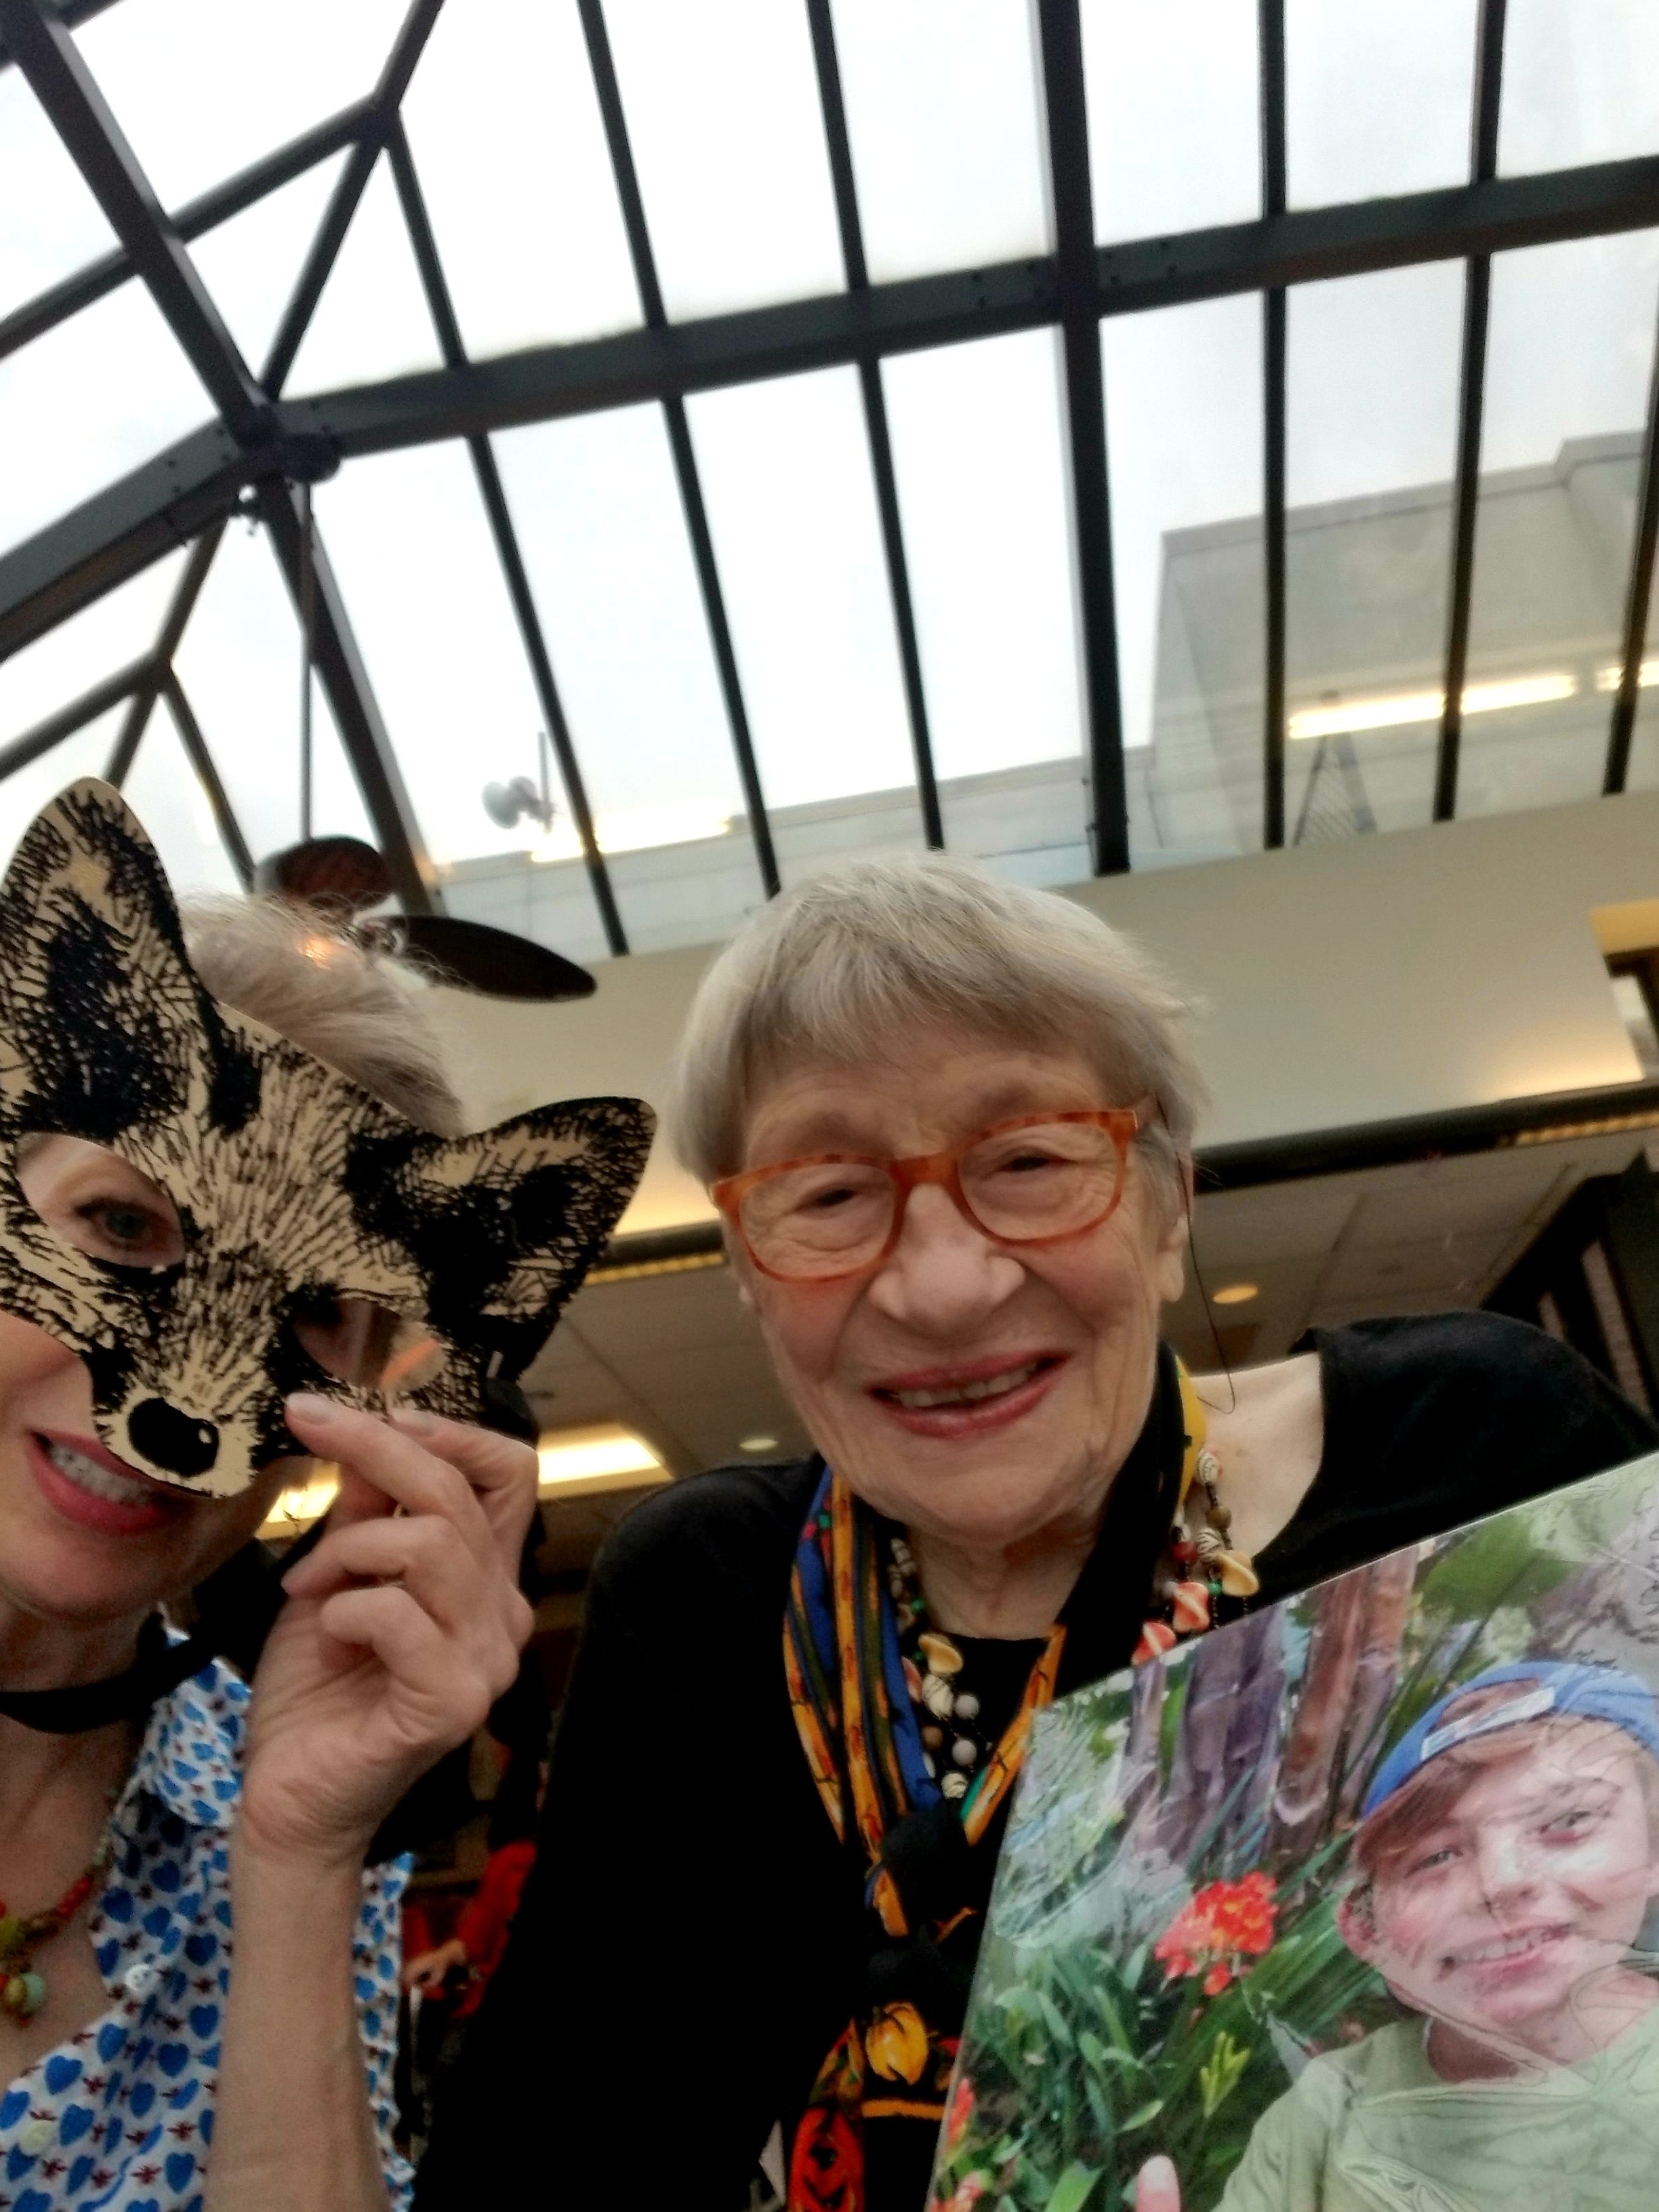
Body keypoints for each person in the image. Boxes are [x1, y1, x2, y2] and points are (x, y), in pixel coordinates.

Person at [417, 855, 1659, 2212]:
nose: (945, 1285)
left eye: (1027, 1161)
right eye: (828, 1194)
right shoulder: (711, 1599)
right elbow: (554, 2159)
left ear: (1168, 1211)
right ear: (750, 1277)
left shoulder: (1476, 1445)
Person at [0, 783, 649, 2212]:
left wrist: (296, 1865)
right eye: (122, 1226)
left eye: (304, 1319)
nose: (180, 1395)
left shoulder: (271, 1797)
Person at [1197, 1660, 1659, 2211]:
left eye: (1568, 1820)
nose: (1501, 1882)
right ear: (1365, 1931)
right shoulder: (1322, 2118)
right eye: (1434, 1857)